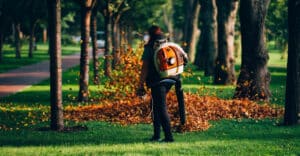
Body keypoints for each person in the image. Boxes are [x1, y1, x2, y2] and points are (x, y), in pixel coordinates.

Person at [137, 25, 181, 142]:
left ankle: (169, 137)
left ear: (150, 34)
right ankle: (156, 135)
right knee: (155, 104)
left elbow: (145, 68)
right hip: (172, 78)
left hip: (158, 81)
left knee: (161, 107)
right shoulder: (168, 43)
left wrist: (140, 84)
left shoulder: (150, 47)